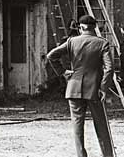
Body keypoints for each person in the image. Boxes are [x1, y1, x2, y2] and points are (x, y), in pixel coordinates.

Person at [46, 15, 115, 157]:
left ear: (80, 27)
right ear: (94, 27)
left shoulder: (72, 41)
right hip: (95, 89)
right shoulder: (102, 43)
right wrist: (103, 88)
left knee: (77, 128)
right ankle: (107, 155)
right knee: (101, 126)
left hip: (74, 87)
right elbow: (109, 68)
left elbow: (51, 55)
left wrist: (63, 72)